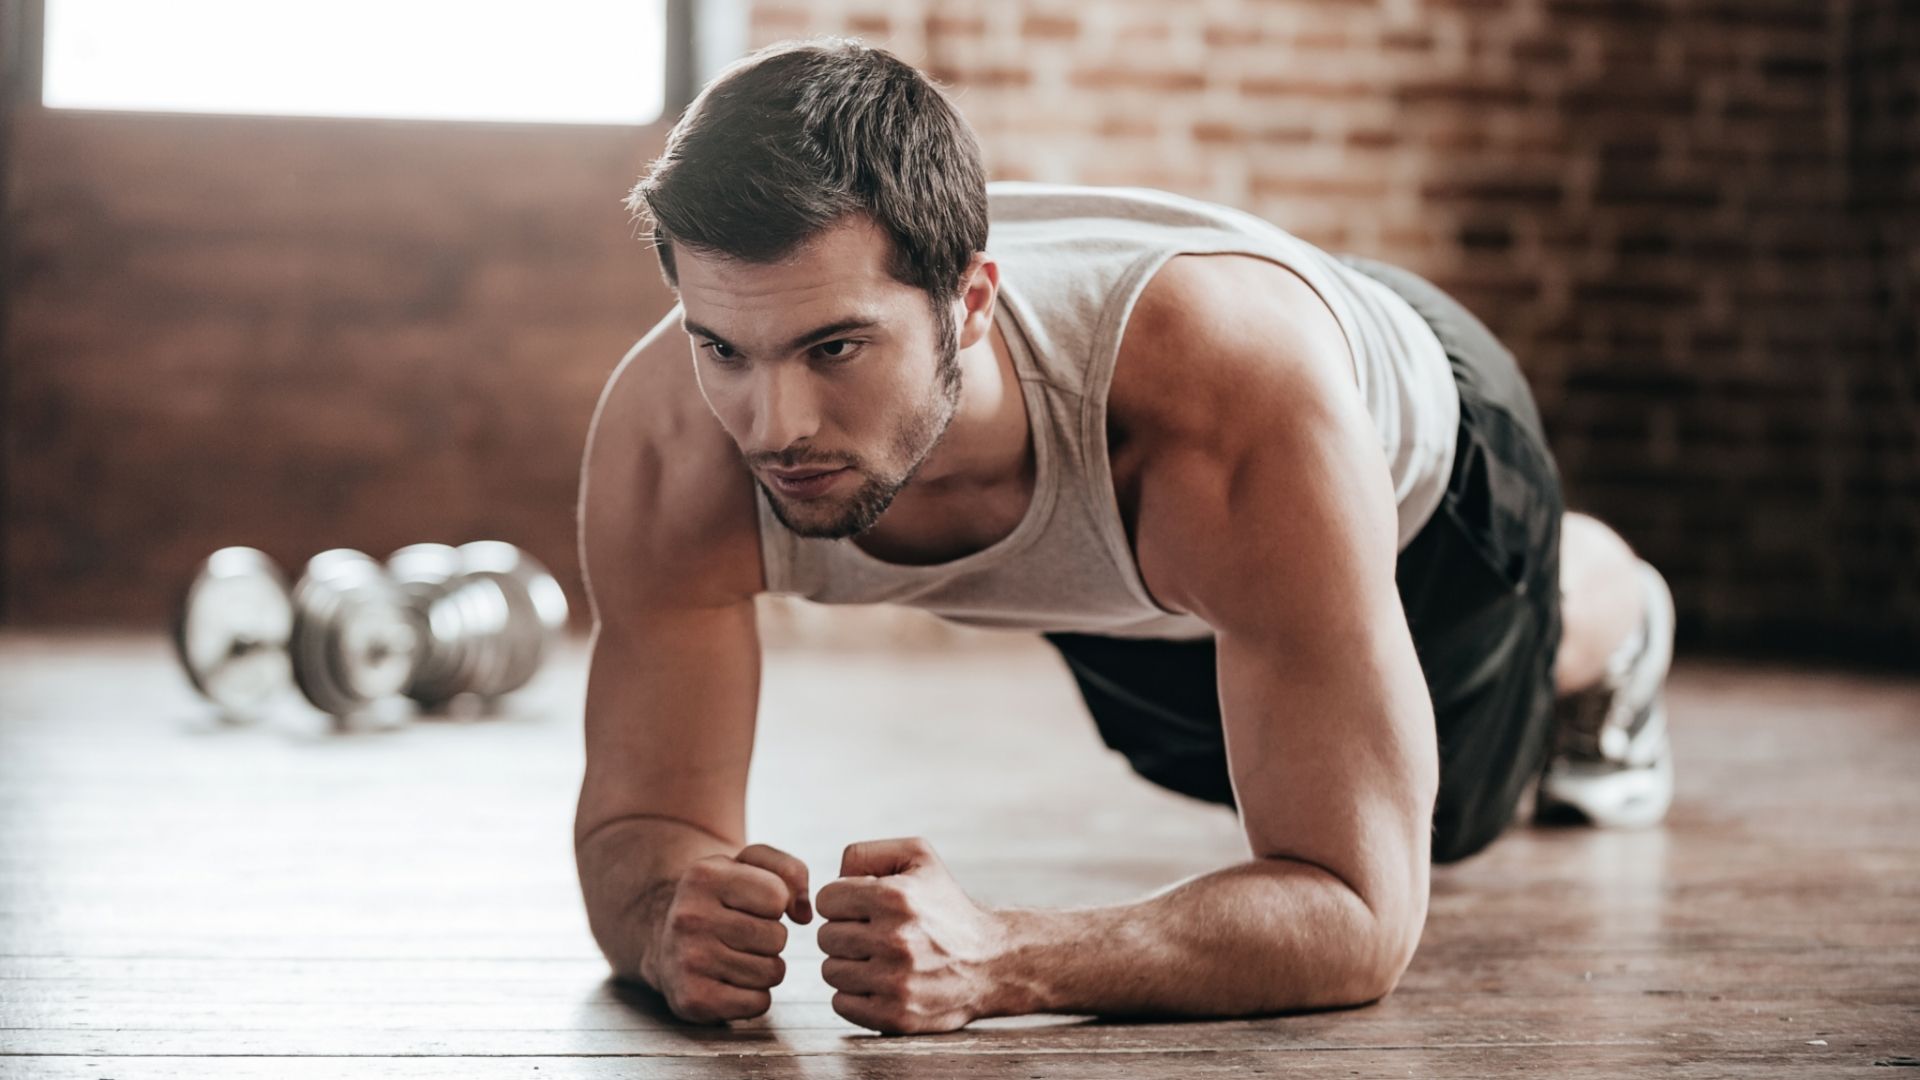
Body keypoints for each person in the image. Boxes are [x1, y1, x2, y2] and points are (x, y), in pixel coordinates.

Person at [572, 38, 1677, 1036]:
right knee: (1192, 755)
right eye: (723, 349)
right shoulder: (670, 444)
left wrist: (1005, 958)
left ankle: (1616, 610)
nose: (774, 429)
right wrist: (671, 915)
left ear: (970, 307)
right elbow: (643, 822)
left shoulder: (1226, 418)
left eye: (836, 351)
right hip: (1134, 567)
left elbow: (1356, 914)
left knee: (1456, 809)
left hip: (1421, 460)